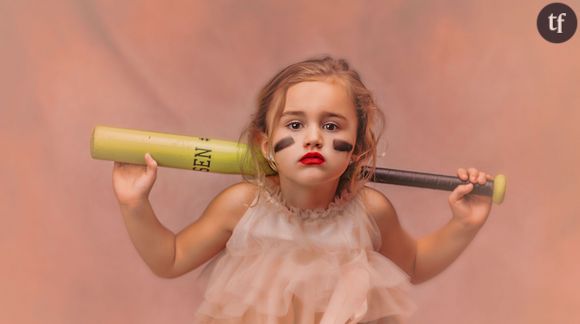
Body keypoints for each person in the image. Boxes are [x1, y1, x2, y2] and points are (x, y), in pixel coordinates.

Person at [112, 56, 494, 323]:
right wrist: (135, 204)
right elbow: (171, 259)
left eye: (331, 127)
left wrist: (464, 225)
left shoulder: (371, 210)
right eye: (294, 125)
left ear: (357, 149)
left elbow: (412, 265)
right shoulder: (242, 206)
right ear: (265, 145)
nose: (313, 138)